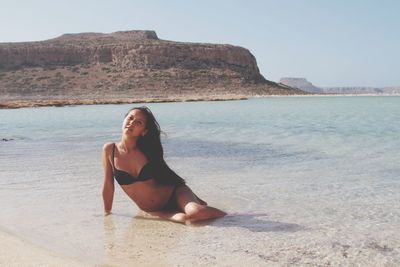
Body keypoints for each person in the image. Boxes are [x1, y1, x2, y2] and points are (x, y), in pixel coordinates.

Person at [102, 106, 226, 224]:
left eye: (138, 122)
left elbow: (165, 173)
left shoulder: (148, 150)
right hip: (154, 211)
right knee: (187, 219)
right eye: (130, 118)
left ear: (144, 131)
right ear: (124, 119)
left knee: (196, 212)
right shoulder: (110, 150)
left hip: (175, 193)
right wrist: (107, 213)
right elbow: (108, 185)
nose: (132, 123)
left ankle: (234, 217)